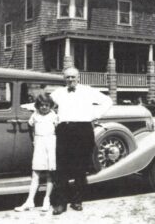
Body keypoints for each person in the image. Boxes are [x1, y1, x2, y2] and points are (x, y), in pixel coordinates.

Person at [50, 67, 113, 215]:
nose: (70, 80)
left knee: (79, 168)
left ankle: (77, 201)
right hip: (64, 130)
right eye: (68, 77)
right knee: (62, 168)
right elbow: (44, 103)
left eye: (73, 77)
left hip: (82, 130)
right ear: (64, 78)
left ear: (78, 77)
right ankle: (61, 203)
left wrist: (94, 114)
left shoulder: (88, 91)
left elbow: (108, 101)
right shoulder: (58, 93)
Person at [14, 93, 58, 212]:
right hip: (39, 144)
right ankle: (29, 201)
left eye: (47, 105)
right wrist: (34, 140)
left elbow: (58, 131)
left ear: (51, 106)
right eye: (42, 105)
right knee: (35, 173)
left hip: (51, 144)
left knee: (50, 174)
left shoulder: (54, 116)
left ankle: (47, 200)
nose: (44, 107)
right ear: (38, 106)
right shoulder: (35, 115)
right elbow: (31, 128)